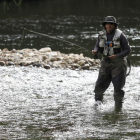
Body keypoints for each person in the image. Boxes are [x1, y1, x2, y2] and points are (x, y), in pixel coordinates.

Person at [92, 16, 131, 112]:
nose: (109, 25)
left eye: (111, 24)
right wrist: (95, 51)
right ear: (105, 25)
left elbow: (128, 50)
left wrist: (117, 56)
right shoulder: (101, 35)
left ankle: (118, 110)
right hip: (105, 63)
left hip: (118, 64)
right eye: (107, 24)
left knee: (118, 89)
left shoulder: (121, 35)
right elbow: (97, 45)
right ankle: (97, 107)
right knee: (99, 86)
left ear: (114, 25)